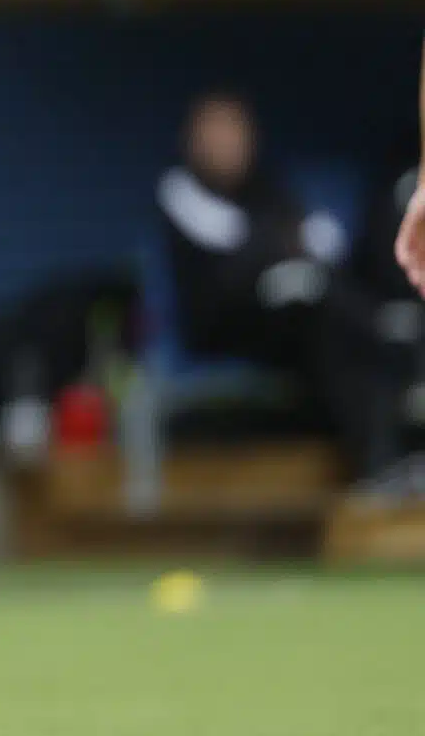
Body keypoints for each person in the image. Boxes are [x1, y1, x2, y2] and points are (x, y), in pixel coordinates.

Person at [157, 92, 399, 481]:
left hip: (284, 322)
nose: (228, 144)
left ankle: (386, 451)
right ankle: (377, 463)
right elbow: (235, 262)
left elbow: (310, 239)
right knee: (326, 316)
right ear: (192, 141)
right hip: (223, 325)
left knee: (329, 316)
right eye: (216, 133)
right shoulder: (179, 192)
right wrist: (278, 256)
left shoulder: (266, 188)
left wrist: (285, 256)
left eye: (236, 132)